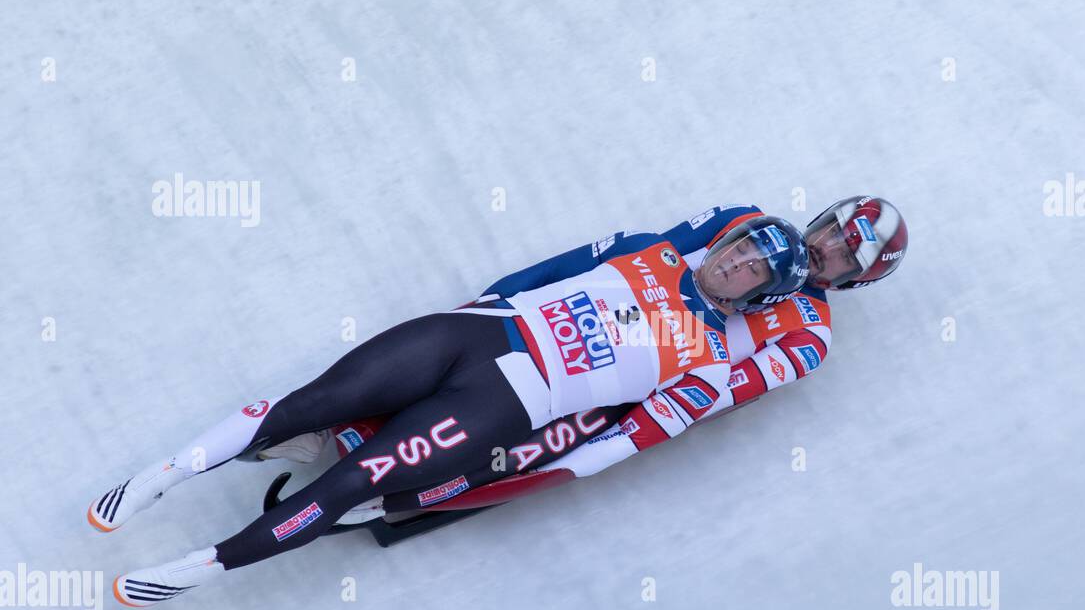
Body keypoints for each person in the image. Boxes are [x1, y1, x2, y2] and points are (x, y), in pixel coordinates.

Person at [94, 205, 809, 606]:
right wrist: (477, 307)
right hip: (479, 333)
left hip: (512, 401)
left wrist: (542, 474)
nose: (734, 260)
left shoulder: (710, 361)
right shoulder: (652, 250)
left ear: (758, 295)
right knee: (316, 400)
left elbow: (631, 438)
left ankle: (199, 568)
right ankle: (161, 474)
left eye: (751, 268)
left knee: (354, 482)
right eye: (739, 245)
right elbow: (550, 269)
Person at [265, 195, 910, 524]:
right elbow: (650, 253)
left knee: (528, 434)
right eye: (831, 229)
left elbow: (726, 393)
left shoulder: (811, 336)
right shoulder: (746, 221)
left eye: (845, 254)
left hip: (647, 380)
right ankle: (327, 423)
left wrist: (651, 407)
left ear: (856, 278)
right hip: (606, 318)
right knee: (471, 348)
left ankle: (397, 492)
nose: (826, 247)